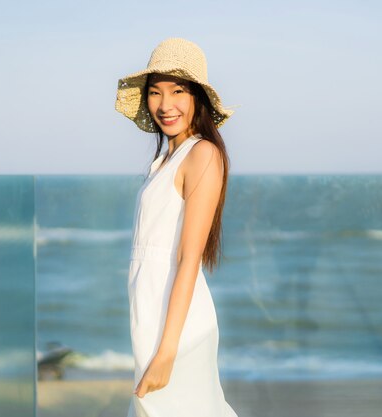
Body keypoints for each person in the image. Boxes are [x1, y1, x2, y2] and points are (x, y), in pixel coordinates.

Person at [115, 37, 239, 417]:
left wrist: (168, 351)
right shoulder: (165, 160)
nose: (165, 105)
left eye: (178, 91)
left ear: (197, 97)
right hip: (153, 317)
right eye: (155, 93)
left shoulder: (202, 153)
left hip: (177, 328)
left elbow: (188, 260)